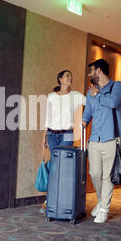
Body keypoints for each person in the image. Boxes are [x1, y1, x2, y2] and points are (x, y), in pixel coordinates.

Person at [81, 59, 121, 223]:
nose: (89, 74)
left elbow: (113, 103)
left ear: (99, 71)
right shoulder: (91, 91)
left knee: (107, 176)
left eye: (91, 71)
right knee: (94, 173)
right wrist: (84, 120)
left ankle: (104, 209)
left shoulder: (118, 86)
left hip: (111, 138)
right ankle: (100, 201)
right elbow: (89, 111)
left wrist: (98, 95)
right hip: (95, 139)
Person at [40, 70, 86, 213]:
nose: (70, 77)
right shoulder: (51, 97)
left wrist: (96, 93)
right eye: (67, 75)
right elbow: (48, 116)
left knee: (64, 166)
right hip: (52, 134)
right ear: (60, 79)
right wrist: (44, 134)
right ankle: (50, 199)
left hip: (67, 134)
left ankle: (64, 200)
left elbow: (90, 102)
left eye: (71, 76)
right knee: (54, 166)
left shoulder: (76, 96)